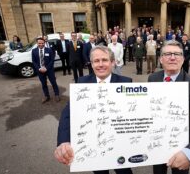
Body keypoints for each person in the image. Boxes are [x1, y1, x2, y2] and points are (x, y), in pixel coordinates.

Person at [54, 46, 133, 174]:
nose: (100, 64)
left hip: (120, 143)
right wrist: (63, 141)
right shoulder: (82, 83)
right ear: (91, 64)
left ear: (112, 62)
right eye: (96, 61)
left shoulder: (126, 83)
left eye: (104, 60)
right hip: (94, 144)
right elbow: (68, 113)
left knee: (124, 171)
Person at [148, 40, 190, 174]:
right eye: (168, 54)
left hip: (181, 145)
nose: (172, 57)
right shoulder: (153, 78)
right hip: (156, 142)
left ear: (183, 59)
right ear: (161, 59)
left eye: (177, 54)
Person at [32, 37, 60, 103]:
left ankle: (57, 95)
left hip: (49, 70)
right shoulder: (34, 51)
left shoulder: (49, 50)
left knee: (53, 83)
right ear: (37, 43)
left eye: (42, 43)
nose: (41, 44)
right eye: (39, 43)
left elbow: (52, 60)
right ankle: (46, 96)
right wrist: (39, 68)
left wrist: (46, 68)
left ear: (44, 43)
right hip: (40, 71)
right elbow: (34, 61)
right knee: (44, 84)